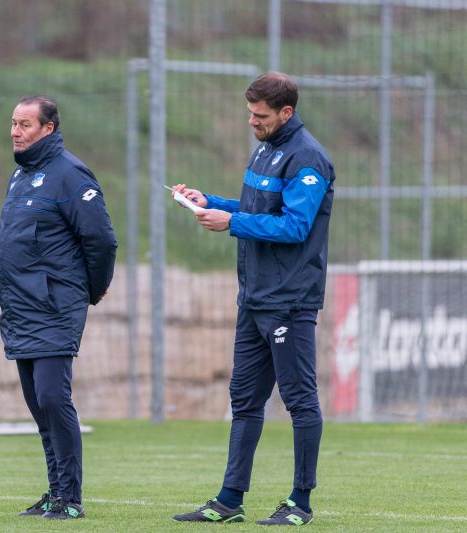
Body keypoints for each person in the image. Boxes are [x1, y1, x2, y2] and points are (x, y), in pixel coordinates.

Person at [171, 71, 335, 526]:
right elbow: (258, 209)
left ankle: (300, 503)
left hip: (290, 300)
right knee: (244, 400)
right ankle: (229, 500)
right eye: (249, 113)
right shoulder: (266, 148)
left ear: (286, 112)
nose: (251, 121)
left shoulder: (309, 159)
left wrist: (231, 223)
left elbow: (295, 227)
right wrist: (214, 202)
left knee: (300, 401)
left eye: (259, 115)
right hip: (255, 297)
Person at [0, 95, 117, 520]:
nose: (15, 131)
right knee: (37, 402)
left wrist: (90, 291)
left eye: (25, 124)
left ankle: (71, 497)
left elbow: (100, 241)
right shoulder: (20, 175)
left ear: (48, 128)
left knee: (52, 396)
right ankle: (55, 491)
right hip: (20, 307)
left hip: (54, 307)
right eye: (13, 122)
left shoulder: (70, 174)